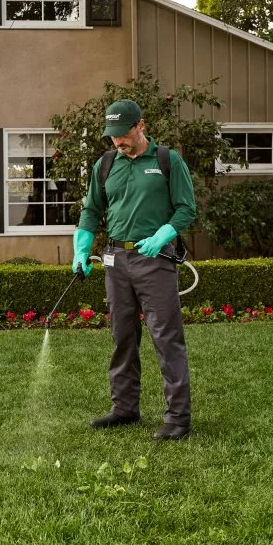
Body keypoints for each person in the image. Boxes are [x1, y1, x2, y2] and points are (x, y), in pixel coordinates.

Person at [72, 98, 197, 440]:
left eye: (123, 134)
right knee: (122, 337)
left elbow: (186, 210)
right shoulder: (107, 163)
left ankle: (177, 418)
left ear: (141, 125)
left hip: (154, 259)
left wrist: (163, 235)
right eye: (112, 136)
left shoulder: (167, 161)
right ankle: (124, 408)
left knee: (166, 338)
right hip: (116, 261)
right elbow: (91, 211)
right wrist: (81, 249)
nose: (118, 141)